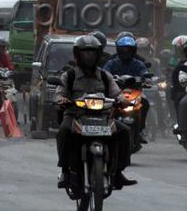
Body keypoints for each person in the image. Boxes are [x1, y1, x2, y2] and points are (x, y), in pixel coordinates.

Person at [55, 35, 137, 190]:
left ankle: (117, 171)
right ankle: (66, 171)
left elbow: (116, 93)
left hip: (103, 117)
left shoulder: (105, 76)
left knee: (124, 132)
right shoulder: (69, 75)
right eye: (85, 52)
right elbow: (60, 92)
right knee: (63, 132)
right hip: (75, 116)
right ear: (77, 54)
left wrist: (122, 100)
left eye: (92, 52)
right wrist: (61, 99)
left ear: (98, 54)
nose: (89, 56)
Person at [103, 37, 150, 143]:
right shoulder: (112, 63)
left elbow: (145, 73)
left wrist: (147, 79)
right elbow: (104, 73)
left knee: (145, 103)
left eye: (129, 50)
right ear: (118, 50)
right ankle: (105, 127)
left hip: (135, 93)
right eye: (123, 50)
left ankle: (141, 129)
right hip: (115, 93)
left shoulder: (138, 64)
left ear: (133, 51)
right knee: (105, 105)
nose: (126, 52)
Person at [170, 36, 187, 111]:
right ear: (186, 52)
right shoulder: (182, 64)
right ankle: (181, 121)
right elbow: (175, 78)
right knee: (181, 100)